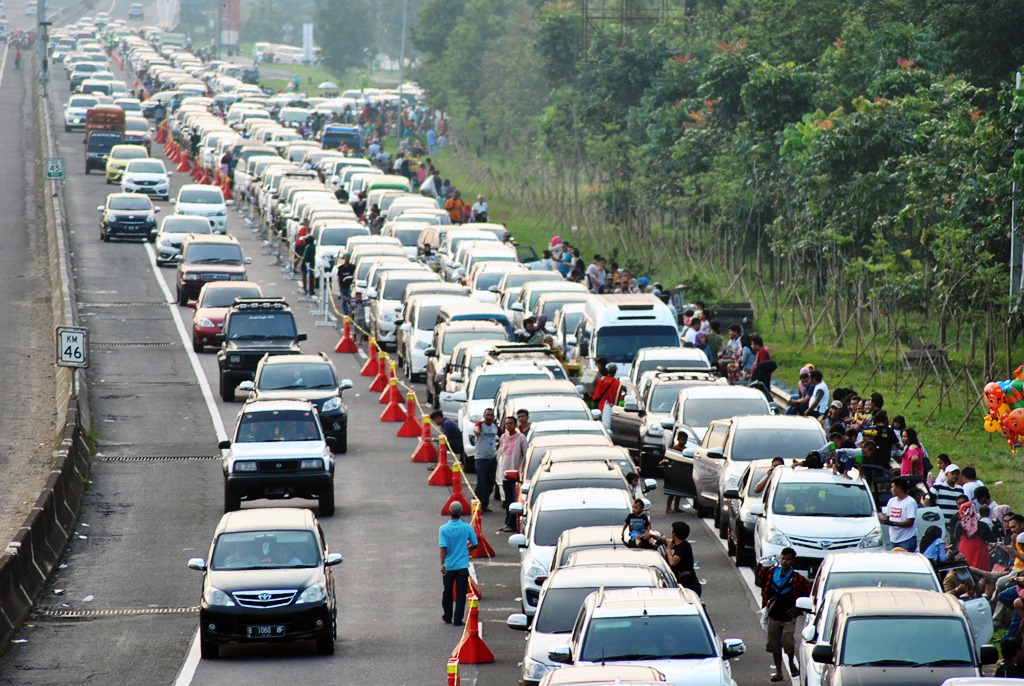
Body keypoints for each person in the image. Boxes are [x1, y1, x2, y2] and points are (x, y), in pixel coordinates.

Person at [756, 548, 810, 682]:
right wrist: (762, 568)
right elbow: (759, 583)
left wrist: (797, 609)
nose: (785, 561)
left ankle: (791, 662)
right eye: (783, 558)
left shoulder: (797, 578)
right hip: (773, 615)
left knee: (787, 642)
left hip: (788, 617)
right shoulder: (772, 572)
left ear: (793, 562)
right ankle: (779, 672)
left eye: (788, 559)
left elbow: (809, 591)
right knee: (774, 644)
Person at [438, 501, 478, 626]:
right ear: (461, 513)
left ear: (449, 512)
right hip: (462, 565)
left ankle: (447, 615)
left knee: (447, 591)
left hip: (449, 565)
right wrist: (467, 551)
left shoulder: (443, 529)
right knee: (461, 593)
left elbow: (443, 548)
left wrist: (442, 563)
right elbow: (475, 544)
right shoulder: (467, 528)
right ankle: (458, 618)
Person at [497, 417, 525, 533]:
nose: (509, 426)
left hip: (516, 474)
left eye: (511, 423)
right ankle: (508, 523)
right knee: (508, 501)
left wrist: (521, 470)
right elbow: (501, 454)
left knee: (514, 501)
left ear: (515, 424)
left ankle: (512, 524)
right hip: (505, 474)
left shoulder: (521, 438)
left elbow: (525, 454)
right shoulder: (503, 437)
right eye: (507, 424)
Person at [660, 521, 701, 596]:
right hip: (685, 584)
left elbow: (673, 562)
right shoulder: (680, 544)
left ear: (674, 534)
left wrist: (668, 550)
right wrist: (651, 536)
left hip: (689, 586)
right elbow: (666, 540)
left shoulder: (683, 547)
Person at [952, 500, 994, 571]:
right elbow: (990, 538)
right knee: (981, 572)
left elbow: (957, 537)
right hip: (979, 550)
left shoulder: (959, 525)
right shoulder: (983, 525)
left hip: (964, 549)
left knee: (965, 570)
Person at [880, 477, 918, 552]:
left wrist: (893, 523)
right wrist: (883, 519)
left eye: (892, 487)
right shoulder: (891, 501)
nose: (891, 489)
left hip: (907, 539)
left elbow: (910, 522)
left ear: (899, 488)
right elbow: (888, 516)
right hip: (894, 539)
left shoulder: (910, 502)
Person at [473, 408, 499, 513]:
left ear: (493, 417)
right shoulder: (480, 424)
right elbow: (476, 429)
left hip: (492, 459)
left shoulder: (495, 427)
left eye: (491, 415)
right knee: (481, 483)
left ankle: (485, 504)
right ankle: (477, 504)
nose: (489, 417)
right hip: (481, 459)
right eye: (487, 415)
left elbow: (503, 436)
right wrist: (477, 431)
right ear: (484, 416)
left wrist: (497, 445)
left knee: (490, 483)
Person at [930, 462, 964, 527]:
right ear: (946, 474)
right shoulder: (938, 486)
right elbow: (927, 501)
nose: (955, 476)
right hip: (940, 523)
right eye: (952, 473)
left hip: (954, 524)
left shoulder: (960, 489)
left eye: (957, 474)